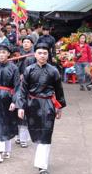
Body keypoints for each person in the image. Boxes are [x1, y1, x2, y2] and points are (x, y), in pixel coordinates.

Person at [17, 43, 66, 174]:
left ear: (48, 55)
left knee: (46, 134)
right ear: (35, 54)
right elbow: (23, 90)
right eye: (40, 53)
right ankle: (40, 161)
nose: (42, 56)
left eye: (45, 53)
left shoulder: (53, 71)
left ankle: (42, 166)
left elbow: (59, 90)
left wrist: (59, 107)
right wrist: (20, 107)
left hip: (49, 104)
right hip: (32, 104)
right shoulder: (29, 70)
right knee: (36, 133)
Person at [15, 36, 35, 148]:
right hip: (18, 86)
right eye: (24, 42)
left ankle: (24, 138)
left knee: (26, 112)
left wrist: (25, 76)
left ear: (32, 44)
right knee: (17, 110)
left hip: (29, 87)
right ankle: (18, 136)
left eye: (28, 42)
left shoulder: (33, 55)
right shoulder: (18, 54)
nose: (26, 44)